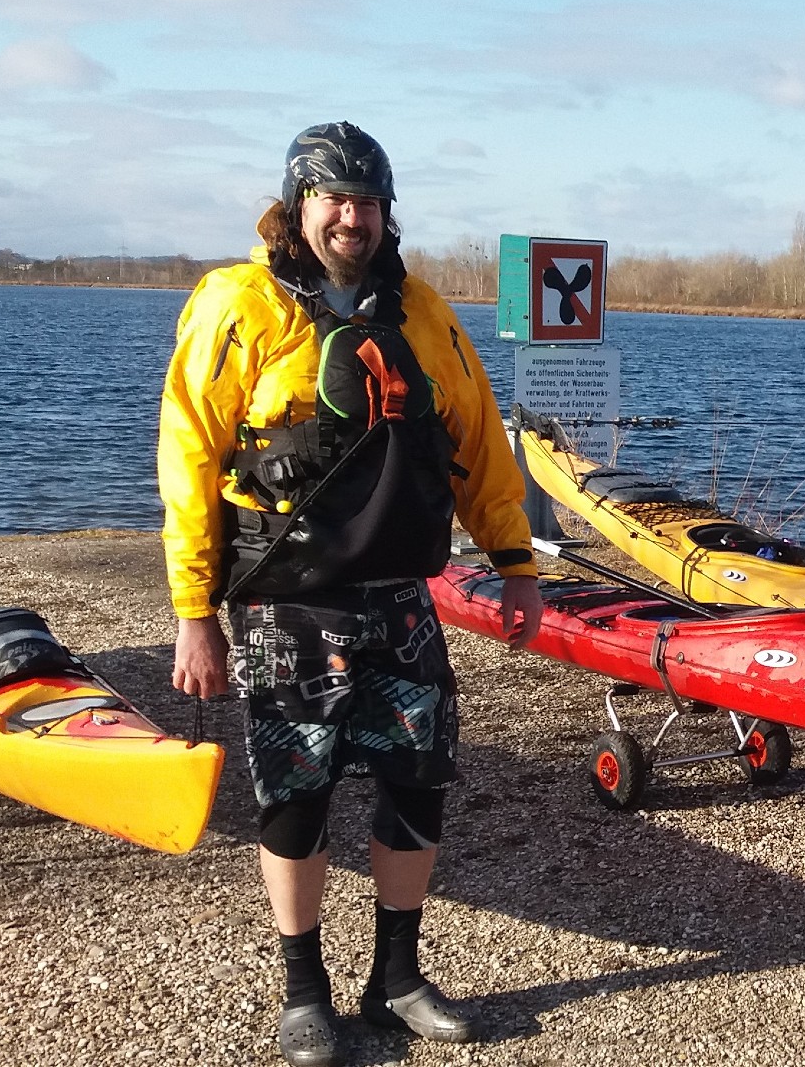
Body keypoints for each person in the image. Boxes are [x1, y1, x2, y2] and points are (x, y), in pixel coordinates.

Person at [159, 121, 543, 1066]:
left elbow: (480, 441)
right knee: (298, 794)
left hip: (400, 599)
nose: (352, 218)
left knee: (417, 786)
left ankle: (397, 979)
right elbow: (189, 458)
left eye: (368, 202)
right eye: (334, 200)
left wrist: (515, 562)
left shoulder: (421, 310)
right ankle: (304, 995)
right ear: (299, 204)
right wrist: (193, 613)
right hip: (287, 600)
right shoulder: (237, 305)